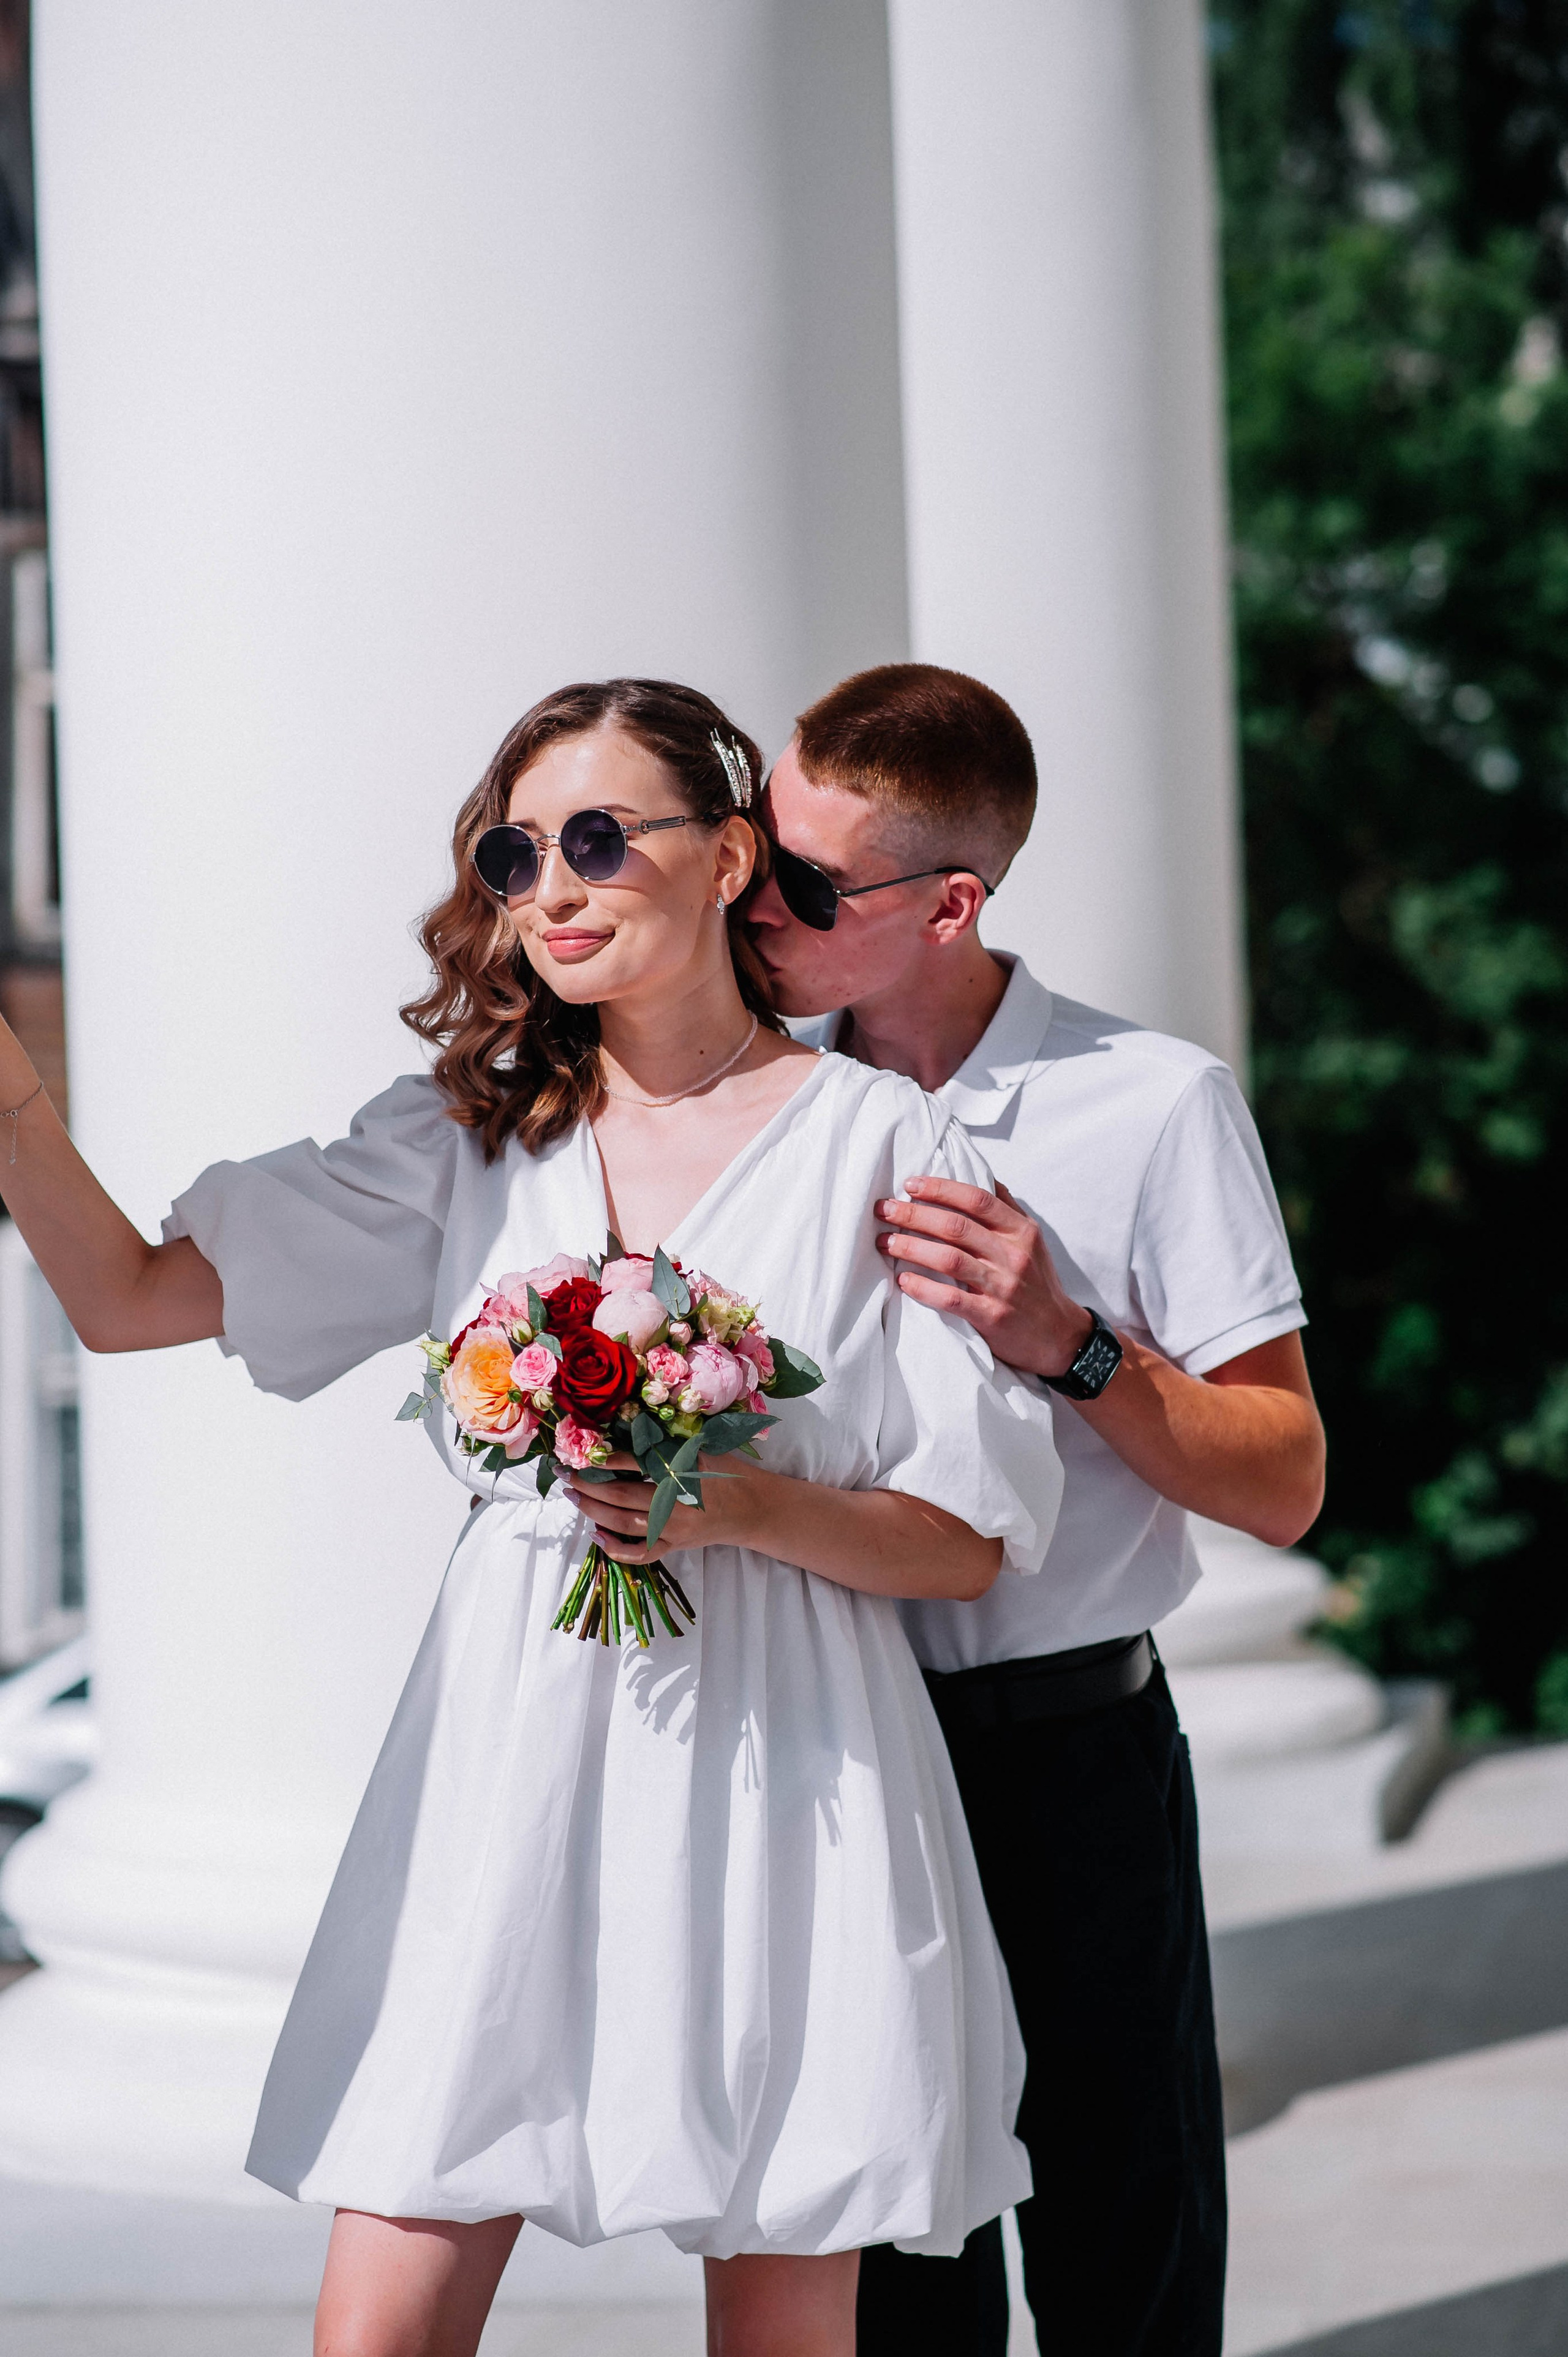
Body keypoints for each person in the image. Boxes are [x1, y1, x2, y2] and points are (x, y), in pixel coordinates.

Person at [0, 676, 1068, 2357]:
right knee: (381, 2328)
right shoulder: (471, 1134)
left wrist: (732, 1499)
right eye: (513, 854)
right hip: (507, 1763)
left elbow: (965, 1532)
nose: (550, 887)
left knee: (782, 2323)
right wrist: (16, 1117)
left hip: (786, 1765)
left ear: (729, 860)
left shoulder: (890, 1145)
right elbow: (129, 1299)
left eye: (595, 838)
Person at [749, 662, 1327, 2357]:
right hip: (840, 1751)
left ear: (951, 905)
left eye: (805, 885)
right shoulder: (754, 1108)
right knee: (894, 2266)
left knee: (1122, 2244)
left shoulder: (1155, 1103)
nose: (759, 908)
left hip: (1069, 1757)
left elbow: (1286, 1479)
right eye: (752, 858)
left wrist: (1069, 1342)